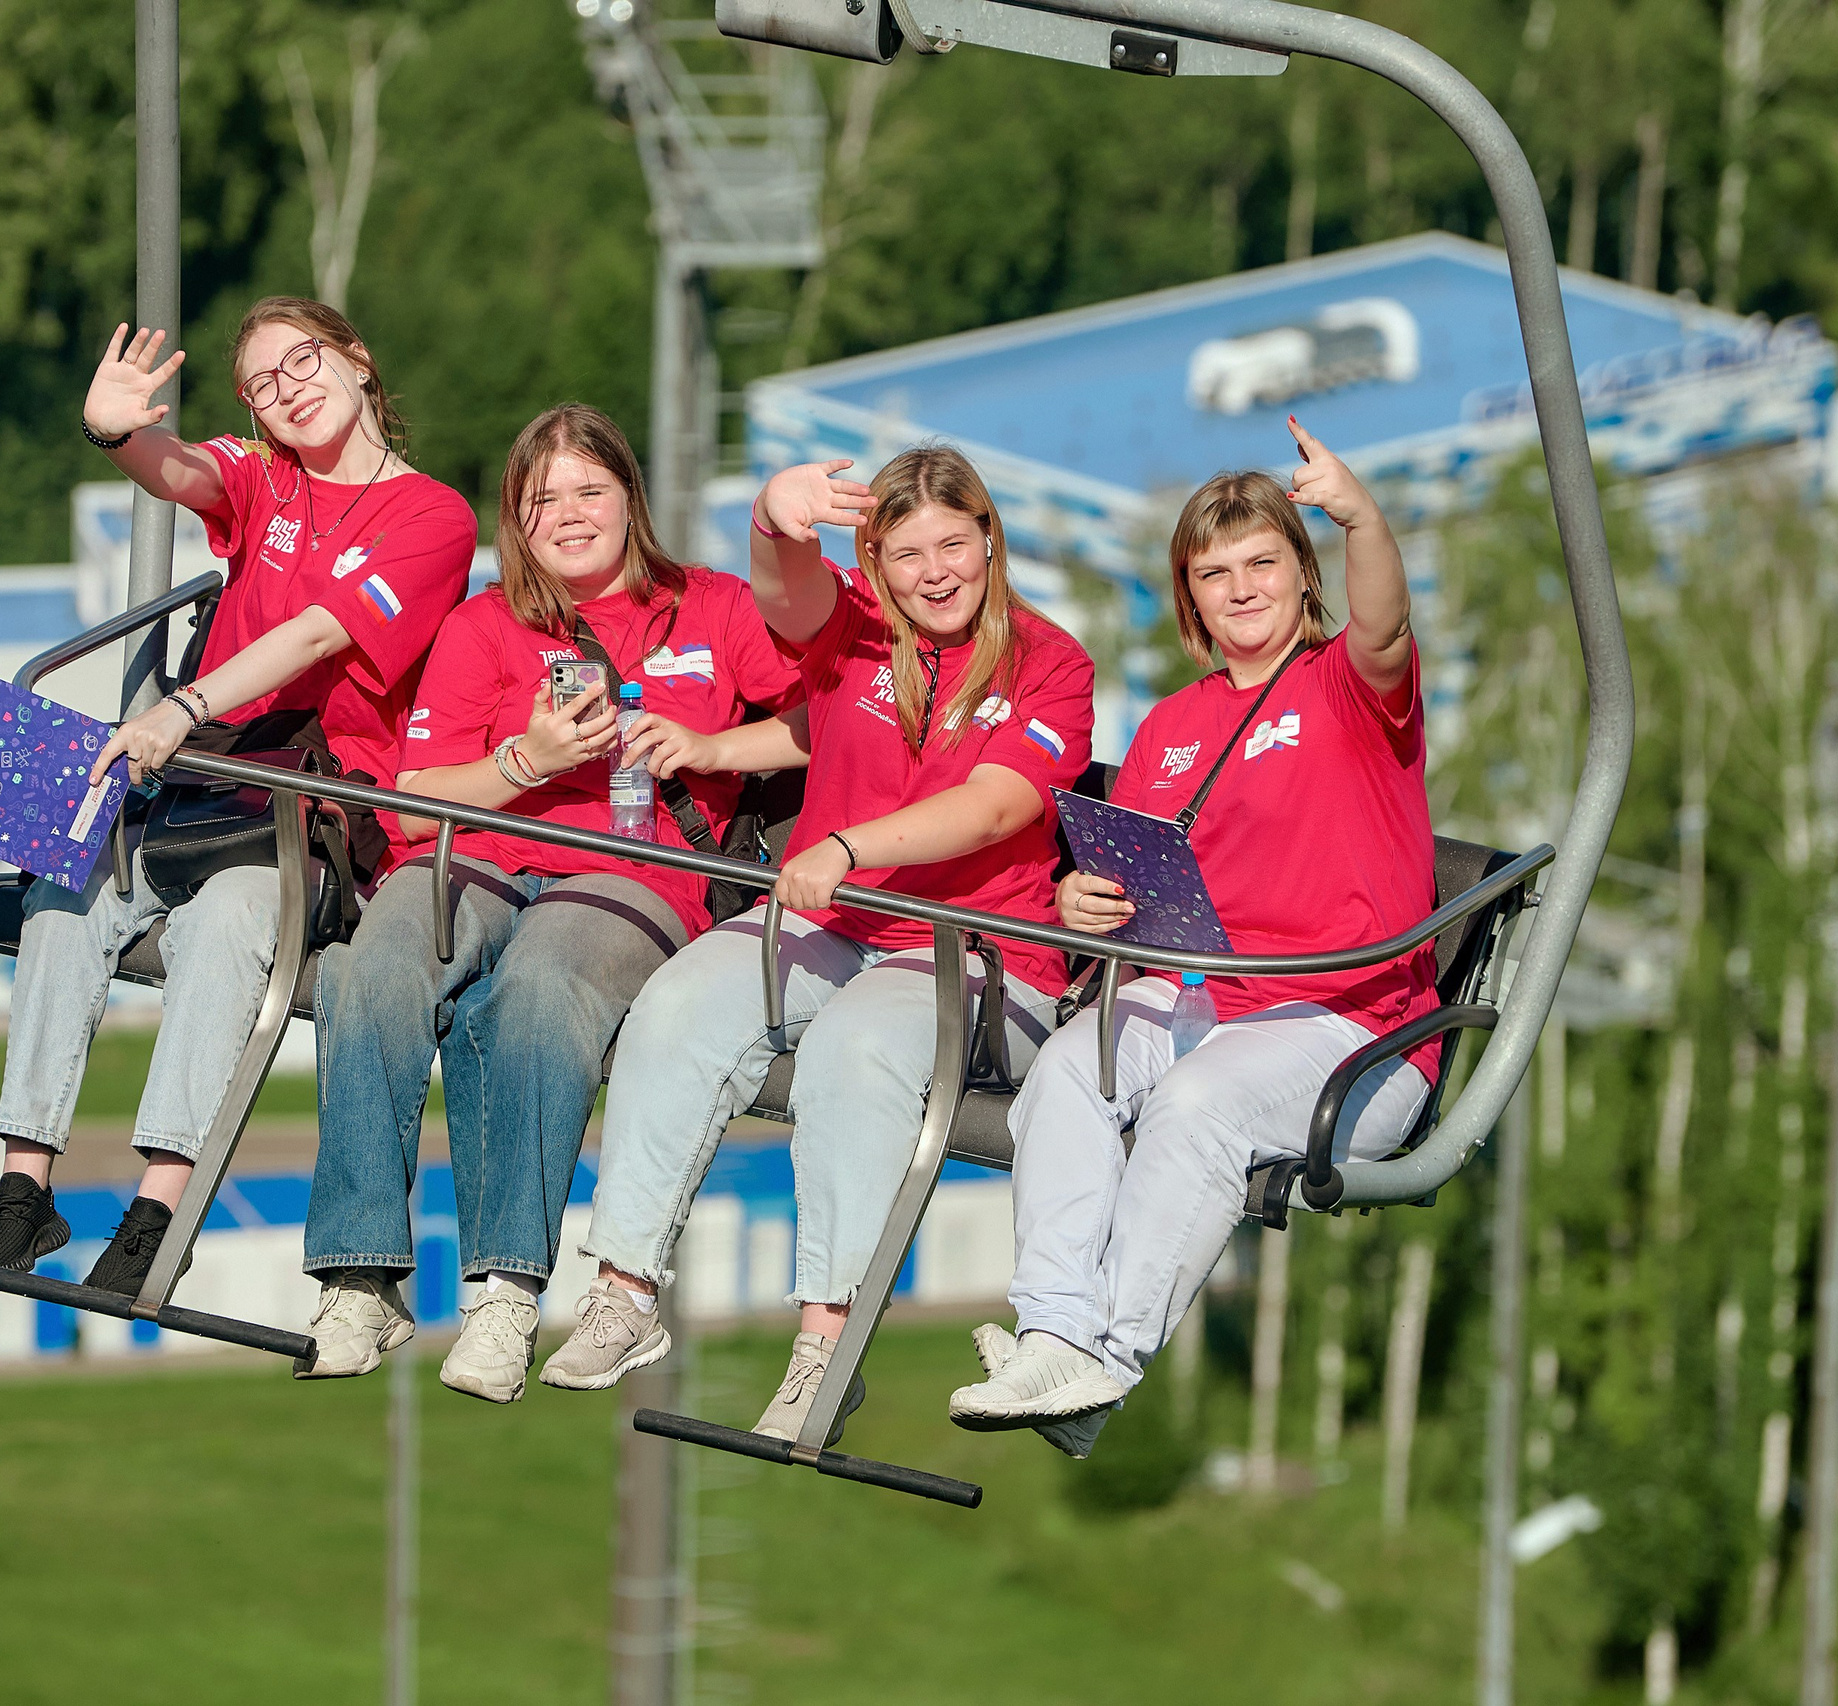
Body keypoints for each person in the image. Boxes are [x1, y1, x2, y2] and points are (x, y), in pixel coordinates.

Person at [541, 444, 1096, 1442]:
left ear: (989, 542)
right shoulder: (857, 631)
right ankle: (623, 1290)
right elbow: (795, 614)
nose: (934, 574)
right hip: (834, 918)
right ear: (874, 563)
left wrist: (845, 844)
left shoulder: (1050, 665)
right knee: (675, 1005)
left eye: (953, 546)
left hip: (970, 951)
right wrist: (770, 520)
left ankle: (824, 1346)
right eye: (906, 553)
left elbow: (993, 806)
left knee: (853, 1047)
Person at [0, 298, 476, 1296]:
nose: (289, 390)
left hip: (316, 791)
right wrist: (116, 430)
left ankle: (161, 1201)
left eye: (305, 361)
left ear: (357, 360)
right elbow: (181, 468)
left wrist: (183, 702)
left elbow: (321, 634)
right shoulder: (264, 479)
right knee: (62, 899)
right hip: (208, 767)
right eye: (263, 383)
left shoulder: (431, 517)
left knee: (234, 918)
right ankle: (25, 1185)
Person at [297, 403, 808, 1402]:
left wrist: (710, 749)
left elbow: (823, 720)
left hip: (632, 871)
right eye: (544, 501)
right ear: (518, 523)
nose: (569, 515)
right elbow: (417, 792)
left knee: (535, 988)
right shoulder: (488, 624)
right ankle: (362, 1271)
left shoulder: (711, 607)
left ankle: (502, 1288)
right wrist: (527, 758)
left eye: (589, 489)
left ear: (630, 497)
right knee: (373, 963)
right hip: (480, 856)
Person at [946, 418, 1434, 1458]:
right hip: (1207, 996)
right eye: (1214, 573)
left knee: (1197, 1103)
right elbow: (1138, 877)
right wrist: (1085, 899)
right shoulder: (1170, 726)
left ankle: (1104, 1359)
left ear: (1306, 578)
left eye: (1263, 563)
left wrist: (1359, 517)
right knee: (1070, 1068)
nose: (1241, 588)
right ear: (1189, 597)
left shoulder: (1345, 690)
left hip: (1345, 1028)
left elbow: (1385, 629)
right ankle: (1052, 1332)